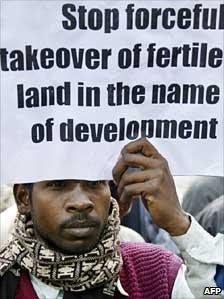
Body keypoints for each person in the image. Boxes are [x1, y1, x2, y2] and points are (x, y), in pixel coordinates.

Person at [0, 139, 223, 299]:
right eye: (58, 185)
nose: (81, 202)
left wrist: (179, 224)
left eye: (94, 183)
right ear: (23, 198)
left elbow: (214, 292)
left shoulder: (158, 273)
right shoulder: (6, 279)